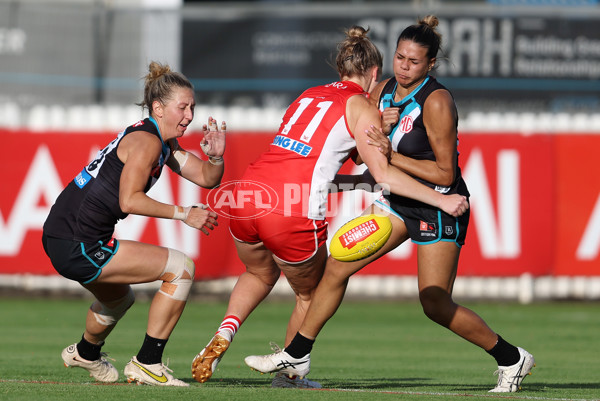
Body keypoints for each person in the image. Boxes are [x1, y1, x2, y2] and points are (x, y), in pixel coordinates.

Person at [244, 16, 535, 393]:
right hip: (396, 202)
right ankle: (297, 355)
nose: (405, 66)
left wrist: (390, 154)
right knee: (336, 266)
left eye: (414, 62)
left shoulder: (438, 101)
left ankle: (511, 358)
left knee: (434, 302)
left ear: (431, 64)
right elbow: (364, 160)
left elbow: (445, 174)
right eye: (400, 57)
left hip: (438, 205)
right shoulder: (381, 91)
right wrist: (381, 130)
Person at [191, 26, 469, 389]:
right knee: (317, 291)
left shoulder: (309, 95)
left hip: (249, 194)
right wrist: (441, 198)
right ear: (373, 74)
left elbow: (333, 152)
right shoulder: (363, 105)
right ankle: (292, 374)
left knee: (259, 273)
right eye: (395, 62)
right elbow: (382, 171)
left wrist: (374, 141)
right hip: (291, 211)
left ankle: (226, 331)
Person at [41, 61, 226, 386]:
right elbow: (130, 200)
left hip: (63, 235)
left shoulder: (163, 143)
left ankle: (86, 352)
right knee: (181, 269)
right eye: (182, 107)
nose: (190, 115)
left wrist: (216, 156)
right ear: (158, 107)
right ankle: (147, 362)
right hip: (77, 241)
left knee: (119, 299)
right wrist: (185, 214)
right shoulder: (147, 142)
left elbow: (206, 178)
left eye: (193, 107)